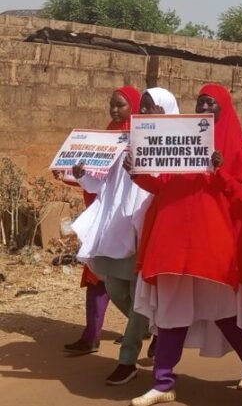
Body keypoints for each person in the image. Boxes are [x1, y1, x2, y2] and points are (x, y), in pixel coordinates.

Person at [128, 85, 242, 406]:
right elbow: (162, 182)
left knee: (224, 309)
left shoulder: (234, 146)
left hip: (213, 244)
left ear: (223, 108)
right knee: (171, 311)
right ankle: (163, 382)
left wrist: (220, 170)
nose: (205, 108)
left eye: (211, 103)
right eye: (200, 103)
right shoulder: (181, 136)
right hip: (172, 240)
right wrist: (138, 173)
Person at [69, 86, 152, 385]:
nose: (114, 110)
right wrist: (82, 174)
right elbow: (99, 184)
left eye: (120, 105)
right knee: (117, 289)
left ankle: (127, 359)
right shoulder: (109, 137)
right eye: (111, 105)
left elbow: (158, 183)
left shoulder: (148, 138)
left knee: (139, 294)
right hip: (113, 224)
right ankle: (152, 327)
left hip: (139, 222)